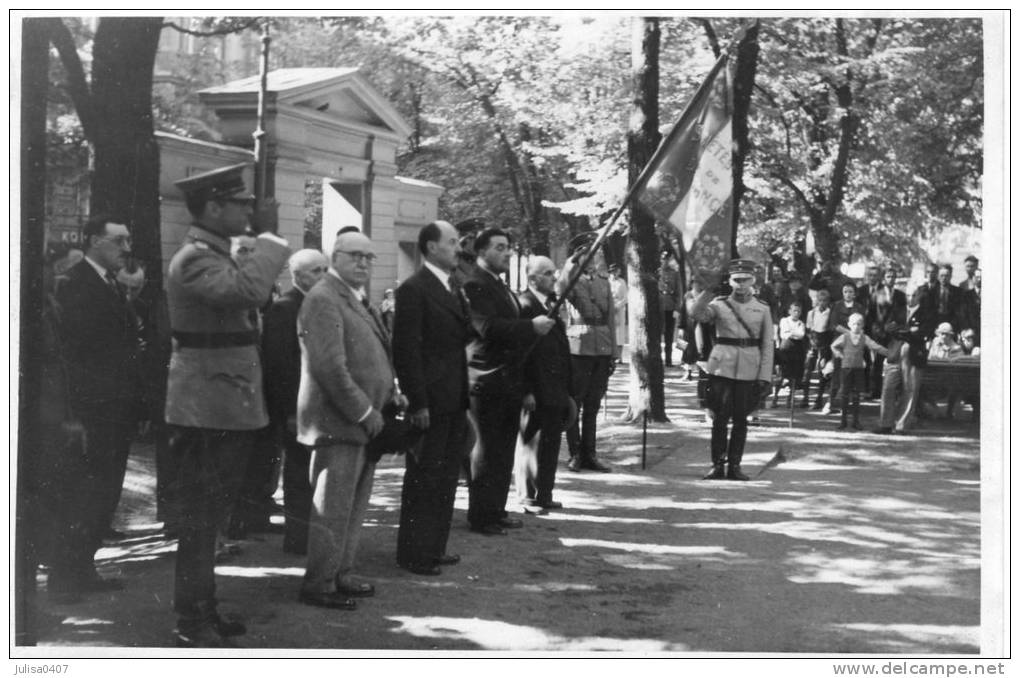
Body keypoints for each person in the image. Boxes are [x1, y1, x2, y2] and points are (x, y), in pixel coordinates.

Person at [164, 164, 291, 647]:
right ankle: (191, 621)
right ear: (213, 207)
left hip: (222, 401)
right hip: (208, 407)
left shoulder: (215, 254)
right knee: (201, 520)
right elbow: (249, 292)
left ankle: (203, 612)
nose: (249, 210)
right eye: (239, 204)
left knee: (211, 518)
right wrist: (271, 237)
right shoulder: (194, 259)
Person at [296, 230, 403, 608]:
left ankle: (341, 573)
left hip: (364, 421)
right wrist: (363, 410)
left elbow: (371, 354)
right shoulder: (324, 297)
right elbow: (329, 367)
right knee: (333, 508)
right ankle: (320, 584)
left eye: (369, 257)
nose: (363, 263)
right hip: (339, 422)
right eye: (354, 255)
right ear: (334, 256)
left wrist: (391, 393)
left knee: (353, 505)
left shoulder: (354, 297)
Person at [48, 215, 142, 601]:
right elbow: (74, 352)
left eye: (127, 240)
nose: (126, 248)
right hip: (92, 409)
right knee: (83, 494)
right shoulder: (74, 284)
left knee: (105, 494)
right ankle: (65, 578)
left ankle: (84, 567)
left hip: (116, 408)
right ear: (93, 242)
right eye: (118, 241)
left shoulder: (111, 285)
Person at [462, 228, 555, 535]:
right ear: (482, 251)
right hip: (486, 380)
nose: (507, 253)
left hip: (507, 380)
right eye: (500, 247)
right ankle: (481, 514)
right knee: (486, 452)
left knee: (502, 451)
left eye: (509, 248)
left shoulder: (498, 285)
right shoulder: (474, 284)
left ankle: (496, 509)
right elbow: (487, 327)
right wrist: (531, 326)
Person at [392, 221, 471, 575]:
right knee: (424, 478)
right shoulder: (414, 288)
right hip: (432, 401)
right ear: (431, 247)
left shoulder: (452, 287)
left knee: (445, 476)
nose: (458, 248)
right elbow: (406, 351)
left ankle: (434, 547)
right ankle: (414, 553)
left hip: (453, 398)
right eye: (452, 242)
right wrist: (418, 402)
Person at [262, 249, 329, 556]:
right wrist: (290, 410)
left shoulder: (318, 303)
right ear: (298, 275)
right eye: (317, 271)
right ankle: (297, 538)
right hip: (295, 407)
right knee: (298, 473)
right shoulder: (285, 308)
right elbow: (278, 365)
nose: (324, 276)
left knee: (312, 472)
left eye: (325, 269)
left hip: (317, 403)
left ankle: (309, 534)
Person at [688, 259, 774, 481]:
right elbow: (696, 313)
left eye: (745, 280)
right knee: (719, 418)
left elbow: (767, 345)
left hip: (749, 368)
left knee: (741, 420)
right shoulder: (719, 304)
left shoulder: (762, 308)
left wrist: (764, 376)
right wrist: (708, 291)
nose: (741, 284)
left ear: (753, 281)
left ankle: (735, 465)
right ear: (730, 281)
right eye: (737, 280)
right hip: (722, 368)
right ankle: (717, 464)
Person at [514, 256, 576, 513]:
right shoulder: (525, 305)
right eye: (547, 273)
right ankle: (527, 495)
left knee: (550, 444)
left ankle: (545, 492)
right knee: (531, 442)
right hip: (536, 388)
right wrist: (526, 389)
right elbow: (520, 353)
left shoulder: (551, 304)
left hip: (554, 388)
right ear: (533, 278)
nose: (553, 277)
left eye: (554, 272)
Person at [557, 245, 617, 473]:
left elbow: (610, 316)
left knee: (594, 403)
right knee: (576, 403)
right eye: (587, 256)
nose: (593, 260)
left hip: (601, 346)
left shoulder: (604, 281)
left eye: (596, 255)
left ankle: (590, 453)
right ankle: (575, 454)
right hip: (579, 348)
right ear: (578, 258)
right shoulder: (572, 281)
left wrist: (613, 351)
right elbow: (561, 288)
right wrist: (570, 264)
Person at [831, 313, 888, 430]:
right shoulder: (845, 337)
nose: (856, 326)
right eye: (853, 324)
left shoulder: (864, 338)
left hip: (859, 369)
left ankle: (856, 421)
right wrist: (840, 355)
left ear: (862, 325)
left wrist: (889, 353)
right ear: (849, 324)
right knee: (845, 394)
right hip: (846, 368)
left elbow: (875, 346)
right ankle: (843, 421)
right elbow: (834, 346)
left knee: (857, 395)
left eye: (858, 324)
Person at [865, 265, 908, 398]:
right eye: (888, 276)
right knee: (877, 363)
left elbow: (904, 313)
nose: (891, 279)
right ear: (884, 278)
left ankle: (894, 391)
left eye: (893, 277)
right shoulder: (876, 294)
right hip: (879, 333)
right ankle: (875, 390)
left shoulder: (900, 295)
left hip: (895, 334)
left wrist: (897, 325)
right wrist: (876, 329)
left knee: (894, 362)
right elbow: (870, 315)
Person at [823, 281, 865, 414]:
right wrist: (850, 333)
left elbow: (863, 324)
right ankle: (830, 402)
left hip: (855, 344)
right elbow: (834, 324)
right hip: (840, 343)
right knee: (837, 373)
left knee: (851, 373)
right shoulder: (837, 306)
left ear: (855, 293)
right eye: (845, 291)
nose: (848, 294)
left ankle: (847, 405)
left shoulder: (859, 307)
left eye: (851, 291)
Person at [803, 288, 833, 409]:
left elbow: (830, 330)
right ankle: (805, 397)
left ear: (828, 301)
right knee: (808, 370)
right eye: (820, 300)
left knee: (822, 372)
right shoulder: (812, 313)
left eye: (824, 300)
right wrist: (811, 342)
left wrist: (825, 348)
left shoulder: (830, 313)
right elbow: (809, 330)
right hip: (813, 342)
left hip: (824, 343)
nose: (822, 303)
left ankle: (819, 399)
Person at [774, 301, 806, 408]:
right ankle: (775, 398)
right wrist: (793, 333)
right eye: (794, 311)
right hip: (785, 349)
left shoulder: (801, 323)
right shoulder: (784, 320)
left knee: (794, 376)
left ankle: (789, 400)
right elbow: (784, 334)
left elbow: (801, 335)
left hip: (797, 350)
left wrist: (791, 332)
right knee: (782, 375)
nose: (796, 313)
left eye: (798, 311)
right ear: (789, 311)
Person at [658, 251, 681, 366]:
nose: (665, 261)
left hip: (670, 306)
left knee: (669, 334)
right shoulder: (657, 273)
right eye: (663, 259)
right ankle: (656, 359)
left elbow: (679, 292)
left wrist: (677, 309)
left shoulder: (675, 274)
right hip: (658, 307)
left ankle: (668, 360)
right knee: (657, 334)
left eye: (667, 259)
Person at [608, 263, 628, 361]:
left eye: (617, 271)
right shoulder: (607, 282)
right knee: (611, 331)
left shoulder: (622, 282)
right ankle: (611, 355)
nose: (615, 274)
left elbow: (625, 297)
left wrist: (618, 306)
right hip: (609, 309)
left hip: (619, 309)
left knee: (620, 332)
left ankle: (620, 357)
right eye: (613, 272)